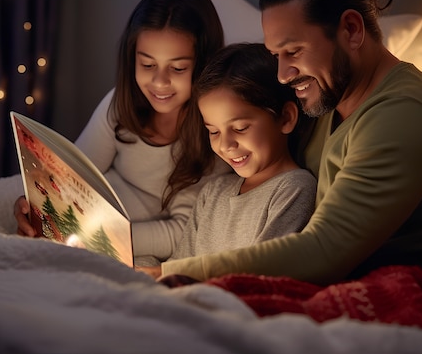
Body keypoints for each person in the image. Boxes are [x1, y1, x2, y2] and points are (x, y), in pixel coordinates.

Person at [150, 0, 422, 284]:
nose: (282, 74)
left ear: (352, 30)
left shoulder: (405, 116)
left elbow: (323, 251)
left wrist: (175, 274)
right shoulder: (327, 99)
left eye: (294, 51)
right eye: (275, 56)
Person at [14, 0, 226, 266]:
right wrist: (34, 206)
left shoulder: (213, 133)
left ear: (204, 66)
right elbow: (74, 172)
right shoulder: (120, 104)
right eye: (147, 65)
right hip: (87, 219)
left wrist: (99, 236)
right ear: (132, 59)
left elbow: (181, 231)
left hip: (124, 238)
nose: (160, 82)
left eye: (177, 69)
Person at [136, 43, 317, 277]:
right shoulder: (213, 193)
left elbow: (262, 272)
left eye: (240, 128)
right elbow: (178, 266)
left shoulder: (293, 188)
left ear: (285, 118)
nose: (225, 145)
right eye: (213, 131)